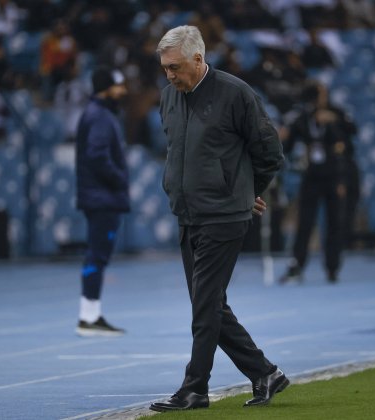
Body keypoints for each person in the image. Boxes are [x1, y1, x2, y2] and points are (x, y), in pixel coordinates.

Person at [150, 25, 288, 412]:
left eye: (175, 67)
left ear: (198, 59)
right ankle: (265, 373)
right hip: (188, 214)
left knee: (205, 304)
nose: (169, 75)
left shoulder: (236, 93)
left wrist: (246, 193)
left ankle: (195, 388)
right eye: (164, 68)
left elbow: (270, 153)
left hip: (224, 216)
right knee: (208, 304)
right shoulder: (168, 98)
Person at [279, 82, 358, 284]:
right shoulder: (303, 118)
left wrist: (335, 119)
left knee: (334, 223)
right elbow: (287, 145)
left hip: (335, 174)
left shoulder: (336, 113)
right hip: (312, 175)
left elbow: (352, 133)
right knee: (304, 222)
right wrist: (281, 137)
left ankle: (332, 268)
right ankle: (297, 265)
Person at [74, 65, 129, 337]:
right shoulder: (100, 117)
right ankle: (89, 316)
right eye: (119, 86)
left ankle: (90, 314)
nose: (123, 91)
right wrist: (119, 178)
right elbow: (97, 155)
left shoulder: (100, 114)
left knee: (97, 255)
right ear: (106, 88)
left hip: (99, 195)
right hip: (102, 197)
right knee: (97, 255)